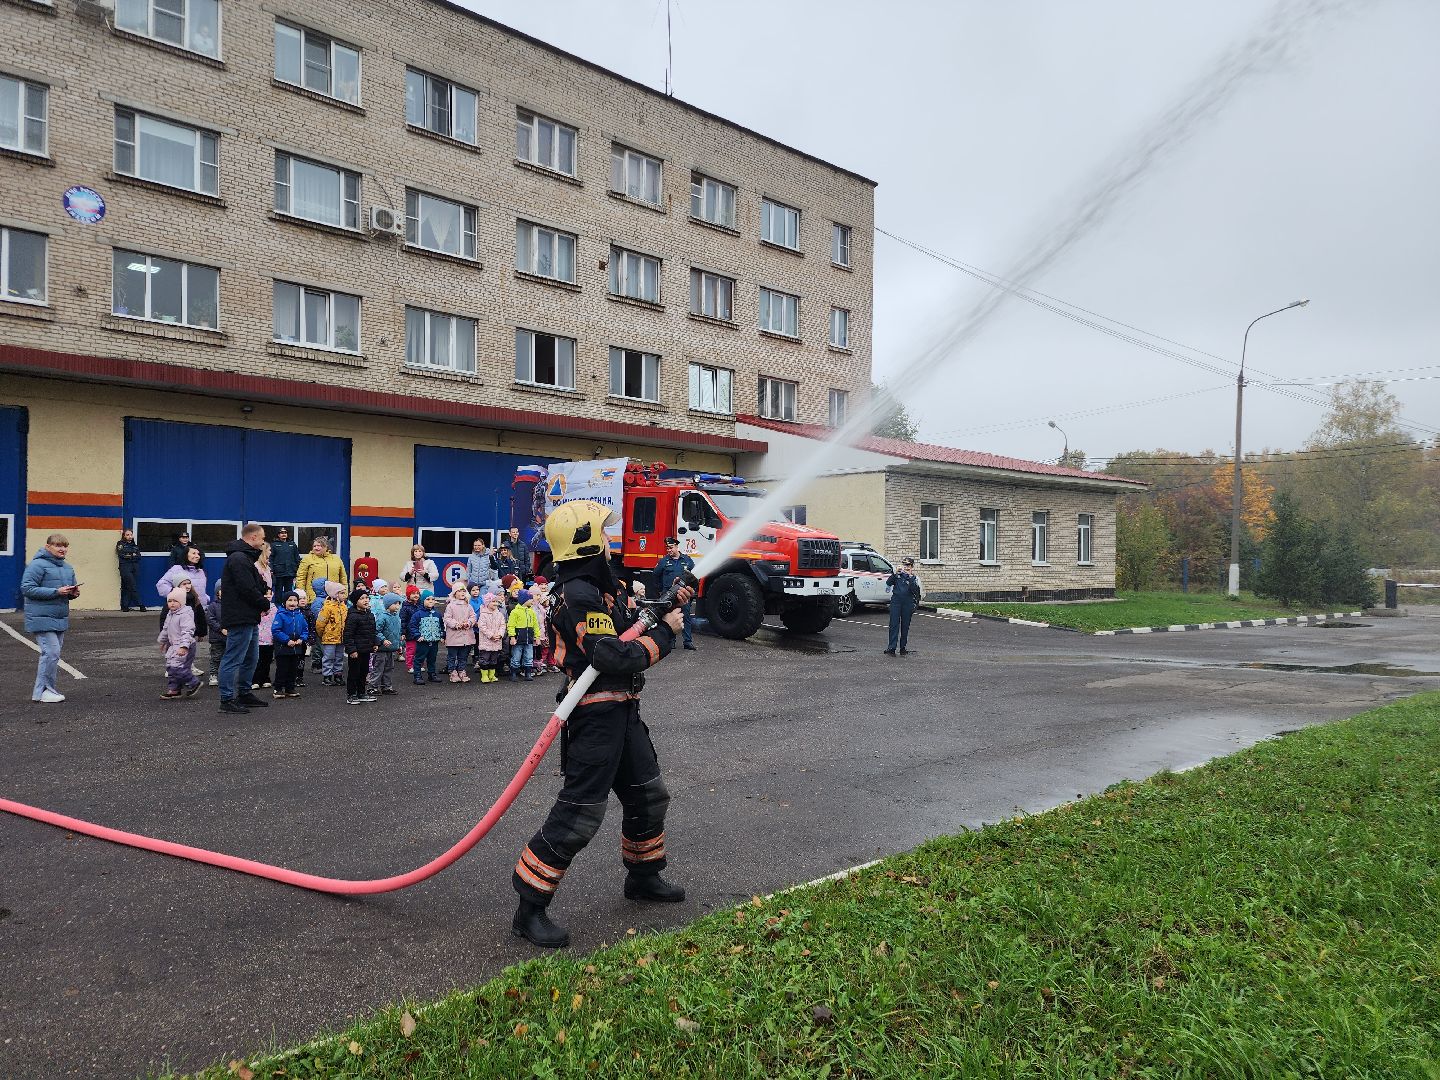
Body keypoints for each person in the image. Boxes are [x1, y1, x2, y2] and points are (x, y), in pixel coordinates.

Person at [509, 501, 691, 948]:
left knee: (648, 796)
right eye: (604, 538)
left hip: (624, 713)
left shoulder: (599, 588)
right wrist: (666, 633)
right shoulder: (579, 594)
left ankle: (644, 877)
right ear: (587, 544)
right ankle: (529, 908)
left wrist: (667, 605)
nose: (611, 546)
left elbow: (625, 628)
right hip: (593, 719)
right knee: (580, 815)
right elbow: (609, 655)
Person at [217, 523, 272, 716]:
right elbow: (247, 588)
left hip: (249, 616)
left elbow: (257, 582)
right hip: (239, 616)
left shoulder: (246, 558)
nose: (264, 542)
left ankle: (244, 692)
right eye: (262, 537)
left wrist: (265, 589)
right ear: (253, 537)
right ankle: (227, 698)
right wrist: (264, 604)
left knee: (251, 657)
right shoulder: (239, 558)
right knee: (233, 658)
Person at [21, 533, 80, 704]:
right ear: (48, 547)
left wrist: (73, 593)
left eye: (65, 546)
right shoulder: (37, 565)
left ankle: (44, 691)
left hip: (59, 617)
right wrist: (56, 592)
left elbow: (67, 592)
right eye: (58, 545)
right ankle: (44, 691)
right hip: (41, 617)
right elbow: (27, 588)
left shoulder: (68, 568)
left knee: (53, 654)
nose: (62, 549)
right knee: (51, 653)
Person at [157, 587, 202, 699]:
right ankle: (174, 689)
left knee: (178, 667)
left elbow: (188, 631)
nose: (172, 604)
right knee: (170, 667)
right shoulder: (170, 614)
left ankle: (194, 682)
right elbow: (166, 629)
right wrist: (162, 641)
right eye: (170, 601)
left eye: (175, 601)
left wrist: (184, 646)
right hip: (173, 645)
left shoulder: (185, 614)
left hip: (185, 646)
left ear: (181, 602)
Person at [655, 538, 698, 651]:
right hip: (669, 596)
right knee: (669, 617)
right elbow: (656, 575)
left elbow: (693, 576)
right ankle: (671, 641)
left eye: (671, 547)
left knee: (686, 617)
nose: (669, 550)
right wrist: (661, 591)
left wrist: (691, 591)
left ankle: (687, 642)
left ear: (677, 547)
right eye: (667, 548)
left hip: (683, 595)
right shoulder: (664, 561)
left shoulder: (687, 560)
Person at [342, 588, 378, 704]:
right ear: (355, 601)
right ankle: (351, 694)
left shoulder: (370, 615)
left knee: (364, 672)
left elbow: (372, 631)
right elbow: (348, 634)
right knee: (354, 672)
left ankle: (361, 692)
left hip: (366, 648)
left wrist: (375, 643)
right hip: (356, 650)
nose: (365, 600)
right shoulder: (353, 616)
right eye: (362, 598)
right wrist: (351, 650)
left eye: (367, 598)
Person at [271, 591, 309, 699]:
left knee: (293, 669)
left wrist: (302, 638)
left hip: (296, 646)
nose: (292, 603)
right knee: (282, 668)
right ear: (284, 602)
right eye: (290, 600)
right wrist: (287, 640)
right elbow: (276, 630)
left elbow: (305, 629)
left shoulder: (300, 616)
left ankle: (290, 688)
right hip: (283, 647)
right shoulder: (280, 615)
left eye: (295, 600)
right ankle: (278, 688)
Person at [884, 557, 924, 657]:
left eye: (909, 565)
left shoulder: (914, 578)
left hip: (907, 604)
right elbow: (888, 583)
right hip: (896, 602)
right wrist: (895, 573)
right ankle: (891, 648)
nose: (906, 567)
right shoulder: (897, 576)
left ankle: (903, 648)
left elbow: (915, 590)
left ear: (912, 567)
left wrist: (910, 577)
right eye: (905, 565)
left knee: (905, 626)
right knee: (893, 625)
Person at [368, 592, 403, 696]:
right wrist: (383, 640)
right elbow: (376, 630)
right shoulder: (382, 617)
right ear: (388, 604)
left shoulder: (396, 617)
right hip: (382, 648)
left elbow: (397, 631)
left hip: (391, 648)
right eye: (395, 603)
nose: (397, 606)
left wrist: (399, 640)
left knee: (389, 668)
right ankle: (372, 687)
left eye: (398, 604)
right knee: (378, 667)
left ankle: (386, 686)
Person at [315, 581, 348, 686]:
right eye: (342, 593)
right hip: (329, 638)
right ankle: (327, 676)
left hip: (341, 637)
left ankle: (338, 675)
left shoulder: (344, 607)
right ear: (335, 594)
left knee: (339, 657)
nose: (344, 595)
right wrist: (322, 634)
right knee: (328, 657)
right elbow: (320, 623)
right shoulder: (327, 607)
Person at [295, 537, 346, 604]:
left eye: (319, 546)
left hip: (334, 597)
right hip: (314, 597)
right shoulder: (307, 559)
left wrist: (344, 593)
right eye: (314, 546)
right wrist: (302, 595)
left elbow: (343, 578)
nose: (316, 548)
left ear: (325, 547)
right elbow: (300, 578)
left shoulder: (336, 559)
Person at [443, 584, 477, 683]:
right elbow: (447, 618)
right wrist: (456, 624)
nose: (462, 593)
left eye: (463, 591)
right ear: (454, 593)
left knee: (463, 655)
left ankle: (461, 670)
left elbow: (473, 617)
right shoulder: (450, 606)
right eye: (459, 591)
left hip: (466, 635)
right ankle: (452, 671)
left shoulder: (468, 605)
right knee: (452, 655)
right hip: (454, 636)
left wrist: (468, 623)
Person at [409, 590, 442, 684]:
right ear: (423, 601)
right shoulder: (418, 614)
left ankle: (432, 674)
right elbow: (412, 626)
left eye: (433, 599)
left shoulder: (437, 614)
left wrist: (442, 636)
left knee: (432, 659)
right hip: (422, 641)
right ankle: (417, 676)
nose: (431, 601)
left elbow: (441, 626)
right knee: (419, 659)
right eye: (428, 599)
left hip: (434, 640)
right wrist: (417, 635)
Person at [507, 588, 539, 680]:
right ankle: (513, 673)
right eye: (530, 599)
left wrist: (537, 636)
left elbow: (535, 625)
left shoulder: (531, 612)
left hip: (529, 639)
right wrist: (512, 637)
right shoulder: (515, 612)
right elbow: (511, 625)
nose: (532, 600)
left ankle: (528, 673)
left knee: (529, 656)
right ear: (525, 600)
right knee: (516, 656)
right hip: (518, 639)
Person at [475, 590, 506, 684]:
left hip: (496, 641)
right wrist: (491, 635)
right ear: (487, 603)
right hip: (486, 641)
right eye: (493, 601)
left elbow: (503, 625)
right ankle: (484, 675)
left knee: (494, 659)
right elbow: (482, 626)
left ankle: (491, 675)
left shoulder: (499, 614)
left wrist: (500, 634)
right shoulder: (483, 614)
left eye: (496, 601)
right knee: (484, 659)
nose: (495, 603)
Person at [116, 528, 145, 611]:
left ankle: (125, 606)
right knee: (132, 586)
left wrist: (130, 555)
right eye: (127, 535)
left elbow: (138, 557)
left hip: (134, 568)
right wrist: (132, 555)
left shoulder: (135, 546)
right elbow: (122, 555)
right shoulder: (120, 544)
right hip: (125, 568)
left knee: (127, 587)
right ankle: (141, 605)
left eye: (131, 535)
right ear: (124, 536)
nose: (129, 536)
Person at [204, 584, 226, 687]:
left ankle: (225, 675)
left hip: (229, 636)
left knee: (228, 657)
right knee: (216, 657)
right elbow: (210, 619)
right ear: (218, 592)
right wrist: (220, 629)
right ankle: (213, 674)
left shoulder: (232, 606)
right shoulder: (213, 606)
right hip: (216, 637)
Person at [270, 527, 301, 597]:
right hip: (278, 573)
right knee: (278, 591)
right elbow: (271, 558)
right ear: (278, 534)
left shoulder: (292, 545)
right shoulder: (274, 545)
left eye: (285, 532)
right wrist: (271, 569)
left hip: (290, 572)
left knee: (289, 591)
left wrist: (298, 570)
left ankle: (288, 605)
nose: (284, 534)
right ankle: (278, 605)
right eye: (281, 533)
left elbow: (297, 558)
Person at [399, 585, 421, 672]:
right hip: (410, 633)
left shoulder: (420, 606)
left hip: (419, 632)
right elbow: (403, 621)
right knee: (411, 650)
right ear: (408, 595)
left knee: (419, 650)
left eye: (417, 593)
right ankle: (410, 666)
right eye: (413, 593)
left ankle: (418, 665)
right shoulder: (405, 608)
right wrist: (403, 633)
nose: (416, 595)